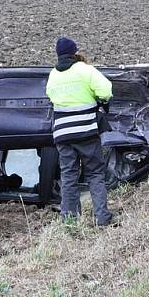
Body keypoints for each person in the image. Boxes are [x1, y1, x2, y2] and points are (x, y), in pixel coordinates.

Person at [45, 37, 113, 226]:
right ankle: (102, 218)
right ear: (75, 51)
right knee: (95, 174)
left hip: (62, 134)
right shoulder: (85, 69)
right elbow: (106, 90)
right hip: (86, 132)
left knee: (68, 176)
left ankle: (69, 221)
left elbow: (50, 96)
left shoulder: (53, 75)